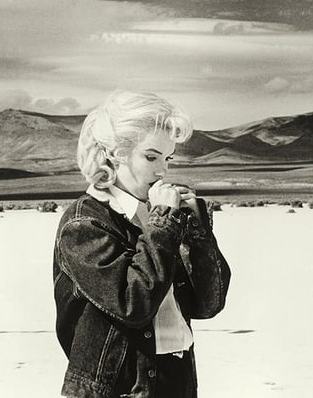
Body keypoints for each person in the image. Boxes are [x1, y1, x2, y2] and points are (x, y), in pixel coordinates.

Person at [53, 90, 232, 397]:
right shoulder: (84, 224)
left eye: (168, 158)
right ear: (115, 153)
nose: (163, 170)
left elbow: (208, 304)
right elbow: (133, 303)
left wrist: (198, 233)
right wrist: (163, 225)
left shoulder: (160, 217)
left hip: (175, 381)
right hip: (117, 390)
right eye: (151, 156)